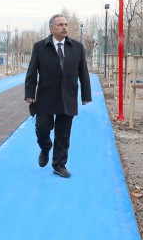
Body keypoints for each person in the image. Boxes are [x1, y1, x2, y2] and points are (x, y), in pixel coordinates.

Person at [24, 14, 92, 178]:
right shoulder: (40, 47)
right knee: (42, 128)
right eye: (60, 25)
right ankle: (45, 147)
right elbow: (32, 72)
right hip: (46, 95)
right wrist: (29, 94)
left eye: (66, 24)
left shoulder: (77, 47)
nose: (64, 27)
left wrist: (86, 95)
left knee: (63, 133)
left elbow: (83, 72)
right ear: (52, 28)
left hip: (67, 96)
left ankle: (59, 164)